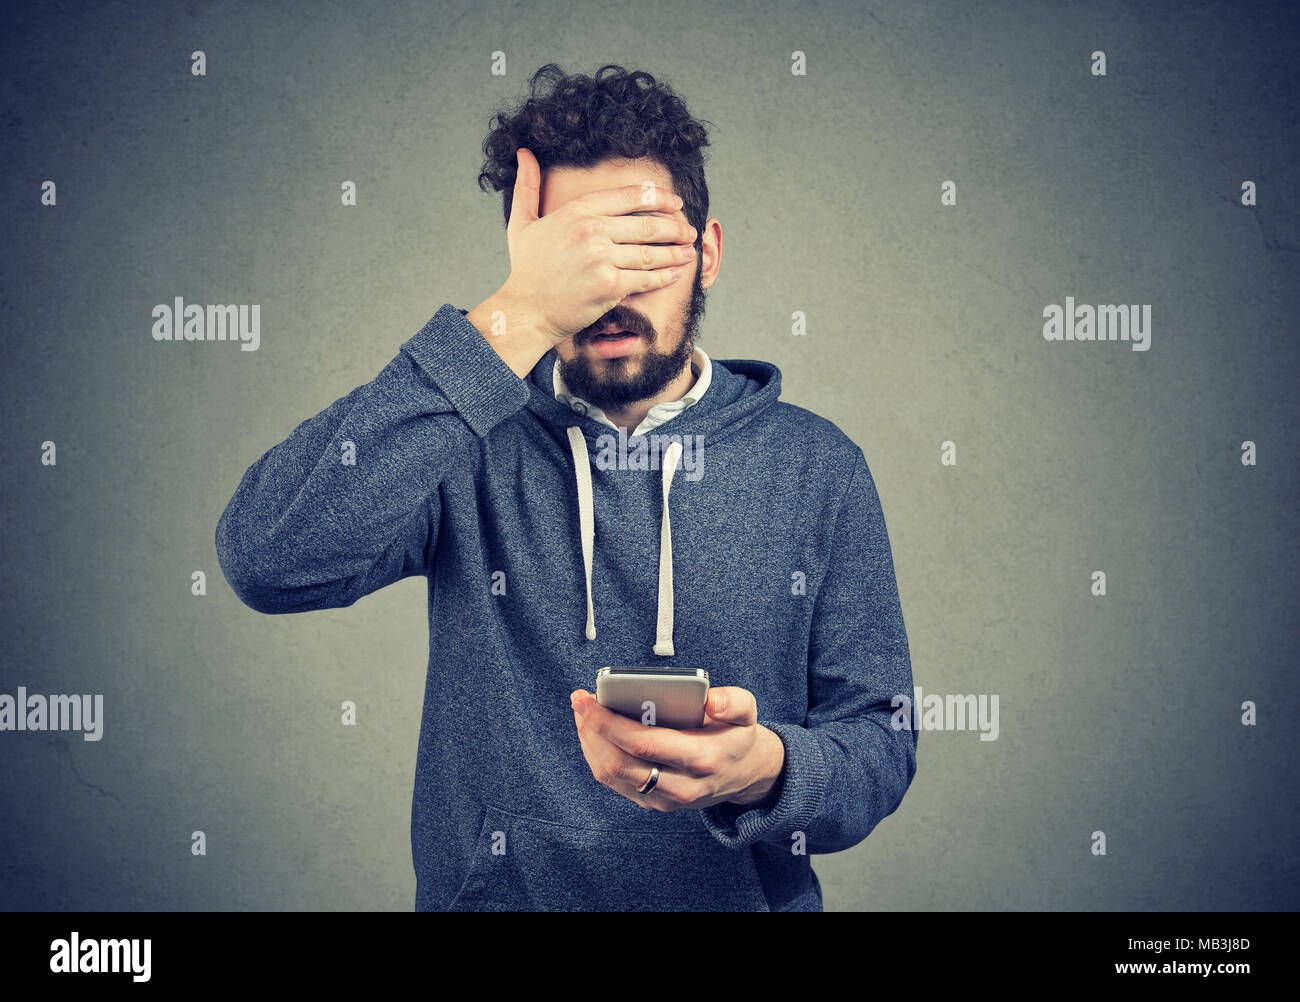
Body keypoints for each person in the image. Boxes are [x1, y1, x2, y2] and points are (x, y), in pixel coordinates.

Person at [215, 63, 917, 911]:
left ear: (709, 254)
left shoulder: (818, 466)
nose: (613, 292)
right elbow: (268, 556)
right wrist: (511, 319)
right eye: (583, 257)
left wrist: (767, 769)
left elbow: (880, 743)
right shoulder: (465, 443)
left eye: (645, 247)